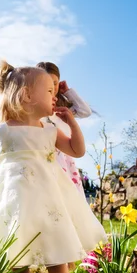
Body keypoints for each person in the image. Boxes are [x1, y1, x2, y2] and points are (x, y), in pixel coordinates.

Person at [0, 61, 107, 273]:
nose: (54, 96)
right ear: (27, 96)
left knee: (57, 256)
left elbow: (77, 151)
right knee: (18, 260)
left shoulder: (50, 130)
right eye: (48, 91)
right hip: (15, 203)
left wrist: (72, 124)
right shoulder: (3, 130)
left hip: (47, 201)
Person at [36, 61, 93, 196]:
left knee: (69, 199)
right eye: (46, 83)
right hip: (45, 161)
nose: (51, 87)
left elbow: (85, 111)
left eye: (55, 83)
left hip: (65, 161)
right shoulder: (36, 111)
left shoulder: (62, 111)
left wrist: (67, 92)